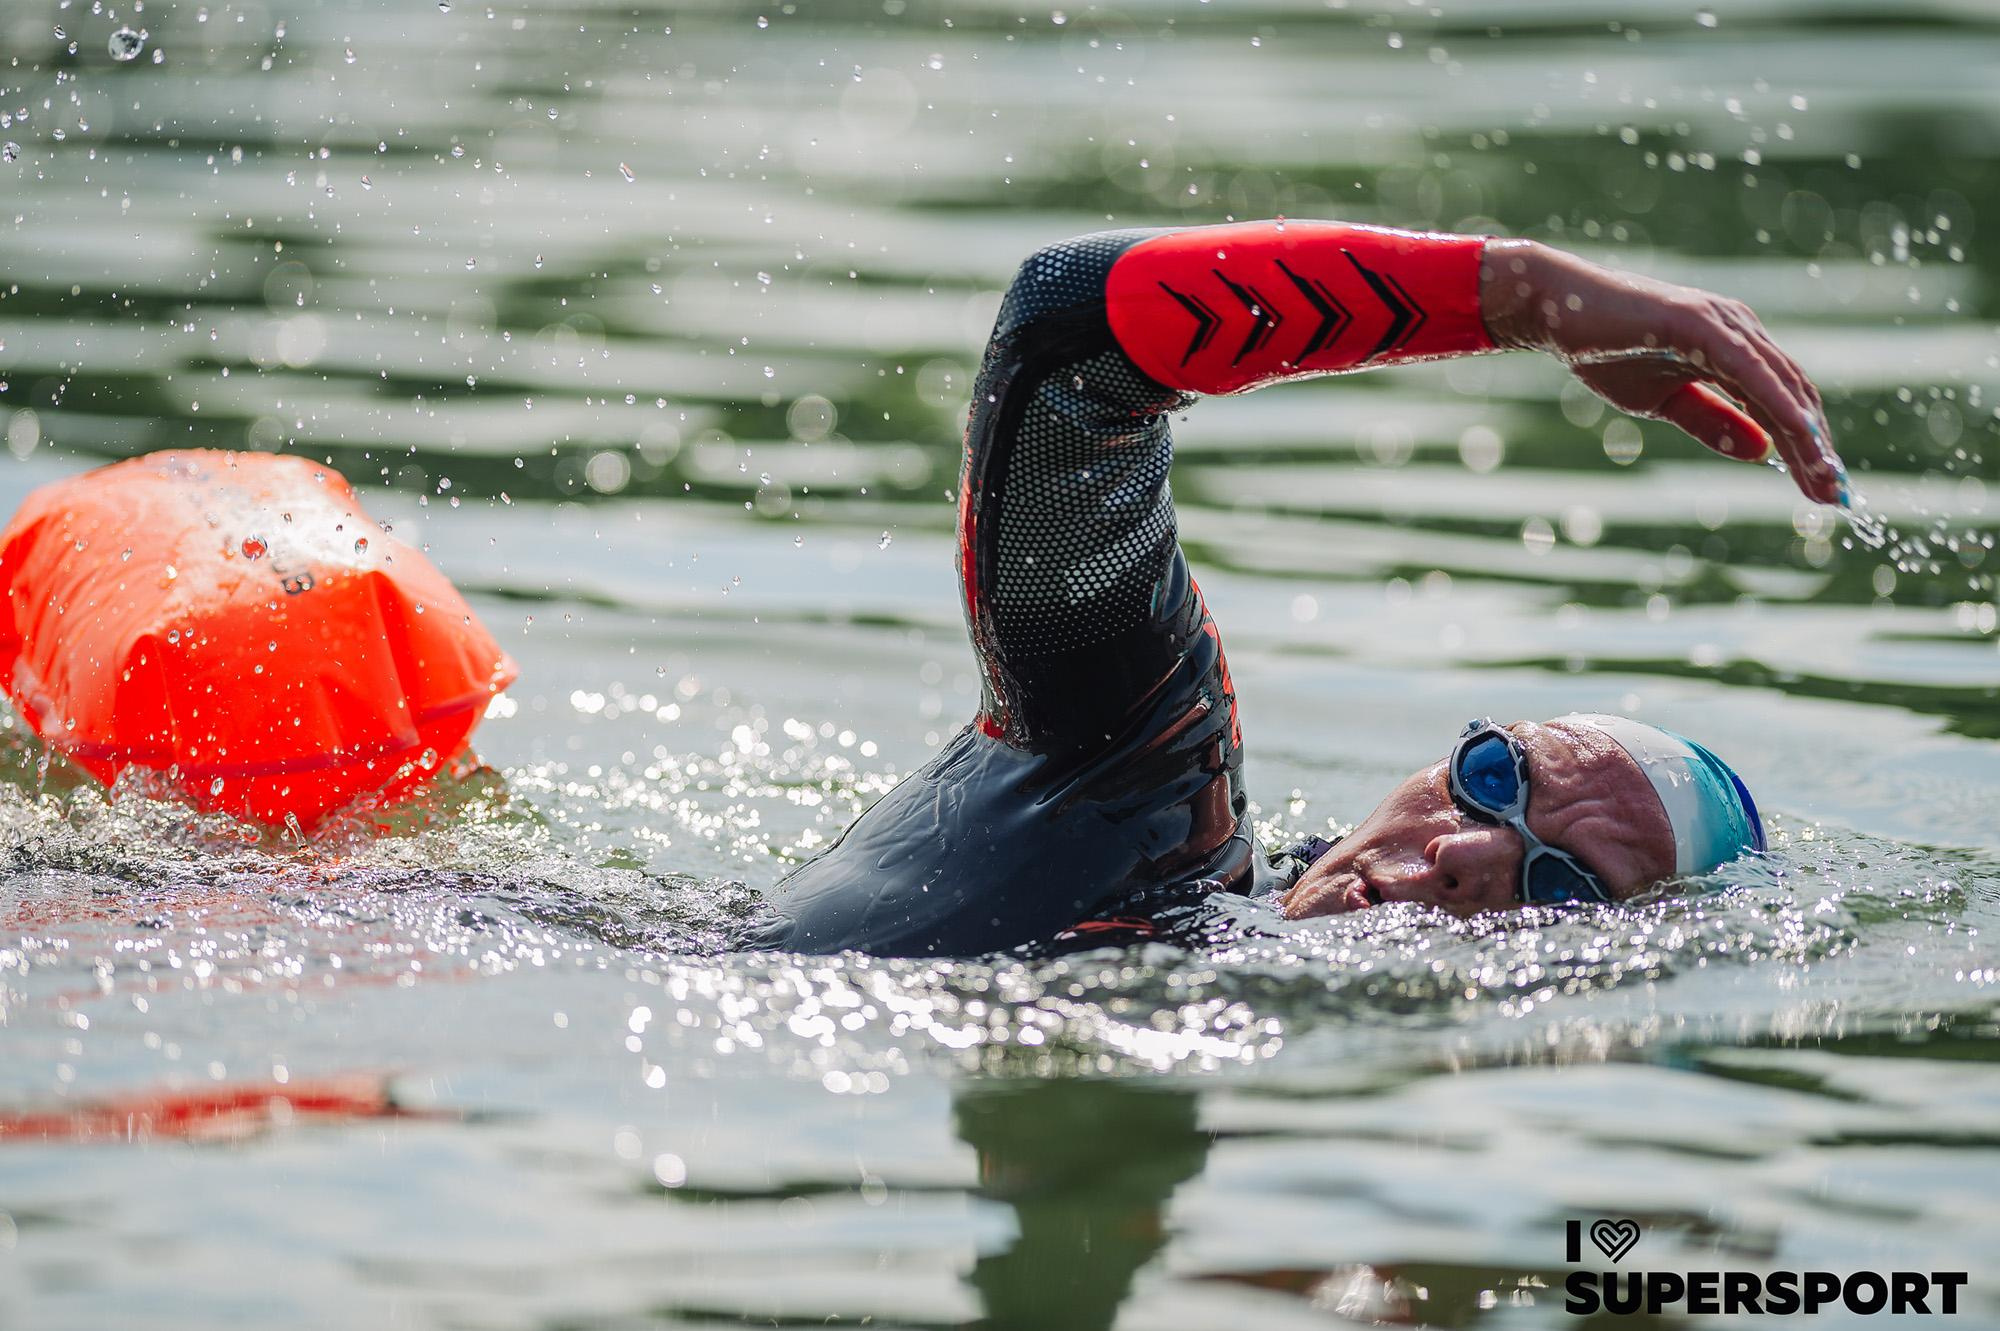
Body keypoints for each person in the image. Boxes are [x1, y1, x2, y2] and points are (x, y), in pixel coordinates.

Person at [743, 219, 1843, 957]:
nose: (1465, 852)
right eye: (1493, 773)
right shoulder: (1131, 788)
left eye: (1563, 888)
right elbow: (1067, 340)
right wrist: (1526, 297)